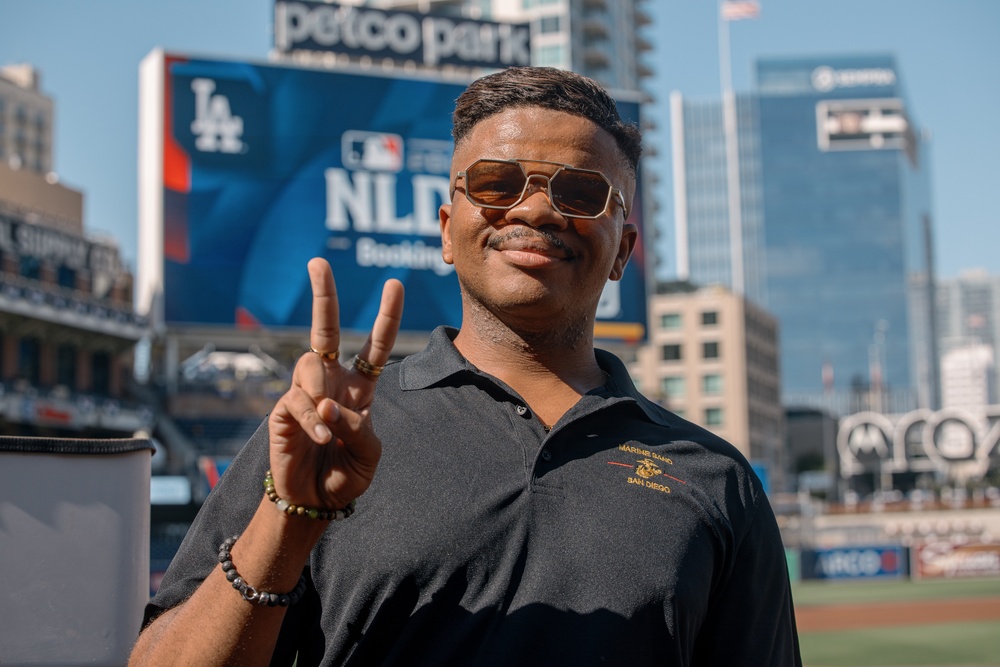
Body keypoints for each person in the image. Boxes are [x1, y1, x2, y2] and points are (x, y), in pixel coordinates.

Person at [130, 66, 801, 666]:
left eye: (580, 191)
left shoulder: (716, 480)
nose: (536, 208)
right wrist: (287, 520)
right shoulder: (325, 434)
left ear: (623, 250)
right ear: (448, 229)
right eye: (497, 182)